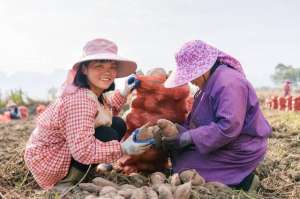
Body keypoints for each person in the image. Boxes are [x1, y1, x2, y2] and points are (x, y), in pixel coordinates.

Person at [24, 38, 151, 190]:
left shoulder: (92, 93)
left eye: (112, 67)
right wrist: (123, 148)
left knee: (117, 124)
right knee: (106, 133)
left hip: (62, 149)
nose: (107, 72)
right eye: (99, 66)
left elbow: (104, 113)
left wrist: (124, 92)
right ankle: (66, 182)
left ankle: (85, 171)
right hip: (49, 161)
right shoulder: (80, 100)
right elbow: (82, 150)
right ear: (84, 69)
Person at [156, 40, 272, 192]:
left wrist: (187, 138)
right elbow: (196, 122)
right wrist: (178, 130)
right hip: (222, 143)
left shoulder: (229, 82)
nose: (191, 81)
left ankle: (244, 181)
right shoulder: (208, 84)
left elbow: (228, 127)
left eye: (192, 76)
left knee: (185, 167)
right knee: (180, 158)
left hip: (240, 149)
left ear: (203, 70)